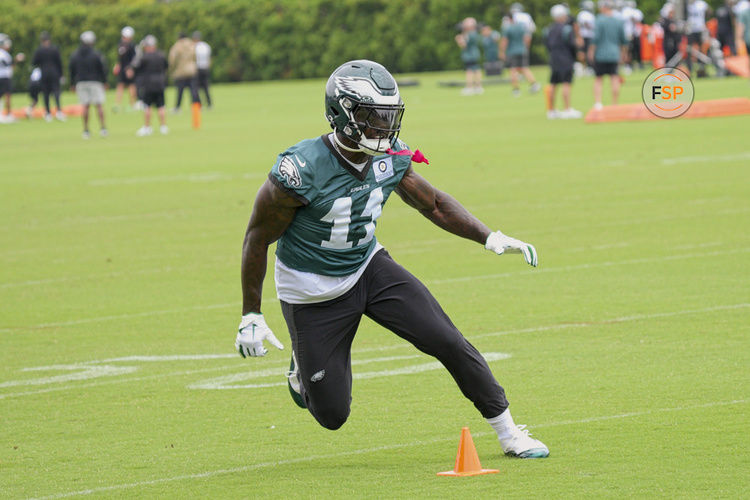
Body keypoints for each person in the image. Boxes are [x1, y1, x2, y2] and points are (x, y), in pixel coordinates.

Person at [235, 59, 549, 459]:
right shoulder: (300, 169)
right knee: (333, 414)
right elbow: (257, 238)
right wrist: (251, 313)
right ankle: (303, 367)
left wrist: (490, 237)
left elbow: (433, 204)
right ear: (342, 115)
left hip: (368, 266)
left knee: (446, 339)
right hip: (312, 289)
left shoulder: (391, 156)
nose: (383, 127)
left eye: (388, 116)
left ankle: (509, 433)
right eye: (371, 116)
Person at [545, 5, 583, 119]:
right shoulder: (567, 29)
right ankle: (567, 109)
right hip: (566, 59)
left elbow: (547, 45)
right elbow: (572, 45)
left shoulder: (548, 29)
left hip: (553, 59)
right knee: (566, 83)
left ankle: (551, 111)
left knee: (553, 84)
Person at [69, 31, 107, 139]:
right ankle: (103, 128)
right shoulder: (96, 54)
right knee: (99, 105)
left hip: (81, 82)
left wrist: (72, 83)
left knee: (85, 106)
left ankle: (86, 130)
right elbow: (102, 69)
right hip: (95, 82)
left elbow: (72, 69)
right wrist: (104, 81)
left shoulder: (75, 55)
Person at [589, 0, 627, 109]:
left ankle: (598, 103)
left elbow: (595, 38)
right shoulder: (618, 21)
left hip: (600, 54)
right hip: (614, 54)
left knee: (598, 78)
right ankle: (614, 103)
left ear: (604, 7)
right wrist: (623, 54)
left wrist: (591, 51)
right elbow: (623, 40)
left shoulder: (599, 20)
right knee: (614, 78)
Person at [128, 35, 168, 137]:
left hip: (148, 84)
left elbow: (135, 68)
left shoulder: (143, 57)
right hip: (160, 83)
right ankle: (163, 127)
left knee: (147, 106)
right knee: (161, 106)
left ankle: (147, 127)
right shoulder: (161, 55)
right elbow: (166, 67)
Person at [501, 13, 540, 96]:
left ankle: (516, 89)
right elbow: (527, 38)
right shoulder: (521, 27)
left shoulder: (508, 29)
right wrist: (526, 48)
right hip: (522, 50)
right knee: (524, 68)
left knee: (513, 70)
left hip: (512, 51)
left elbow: (505, 41)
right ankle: (534, 84)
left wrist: (502, 52)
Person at [32, 31, 65, 121]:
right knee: (56, 92)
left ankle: (48, 113)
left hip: (44, 74)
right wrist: (61, 75)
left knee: (46, 93)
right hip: (55, 73)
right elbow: (59, 63)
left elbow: (34, 62)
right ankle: (58, 111)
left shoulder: (39, 50)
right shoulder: (54, 49)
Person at [168, 32, 200, 112]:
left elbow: (172, 59)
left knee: (180, 91)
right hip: (192, 70)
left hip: (180, 71)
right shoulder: (192, 45)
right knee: (194, 90)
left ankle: (178, 107)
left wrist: (171, 69)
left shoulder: (177, 46)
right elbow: (196, 57)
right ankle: (196, 107)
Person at [455, 18, 483, 95]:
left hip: (470, 55)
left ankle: (469, 87)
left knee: (469, 71)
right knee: (476, 69)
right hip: (475, 54)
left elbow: (464, 45)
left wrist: (459, 39)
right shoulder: (474, 33)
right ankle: (478, 87)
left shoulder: (470, 34)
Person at [113, 26, 137, 112]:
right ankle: (117, 104)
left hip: (129, 69)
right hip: (122, 68)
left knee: (131, 86)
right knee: (120, 85)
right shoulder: (120, 44)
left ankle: (133, 104)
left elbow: (135, 58)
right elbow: (120, 57)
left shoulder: (132, 45)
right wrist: (118, 65)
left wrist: (130, 68)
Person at [687, 0, 711, 76]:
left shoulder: (701, 4)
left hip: (700, 29)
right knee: (689, 50)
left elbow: (709, 11)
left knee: (702, 50)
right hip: (690, 30)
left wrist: (704, 20)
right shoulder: (686, 4)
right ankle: (689, 70)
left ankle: (702, 70)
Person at [193, 31, 212, 108]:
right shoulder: (206, 46)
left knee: (196, 88)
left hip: (198, 69)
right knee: (206, 87)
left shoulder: (194, 47)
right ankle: (209, 103)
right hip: (206, 68)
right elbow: (209, 58)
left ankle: (199, 104)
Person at [577, 0, 597, 72]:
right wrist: (592, 28)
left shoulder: (590, 14)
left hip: (590, 35)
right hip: (585, 35)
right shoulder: (583, 14)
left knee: (589, 52)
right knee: (585, 52)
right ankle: (586, 67)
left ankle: (589, 67)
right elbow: (585, 23)